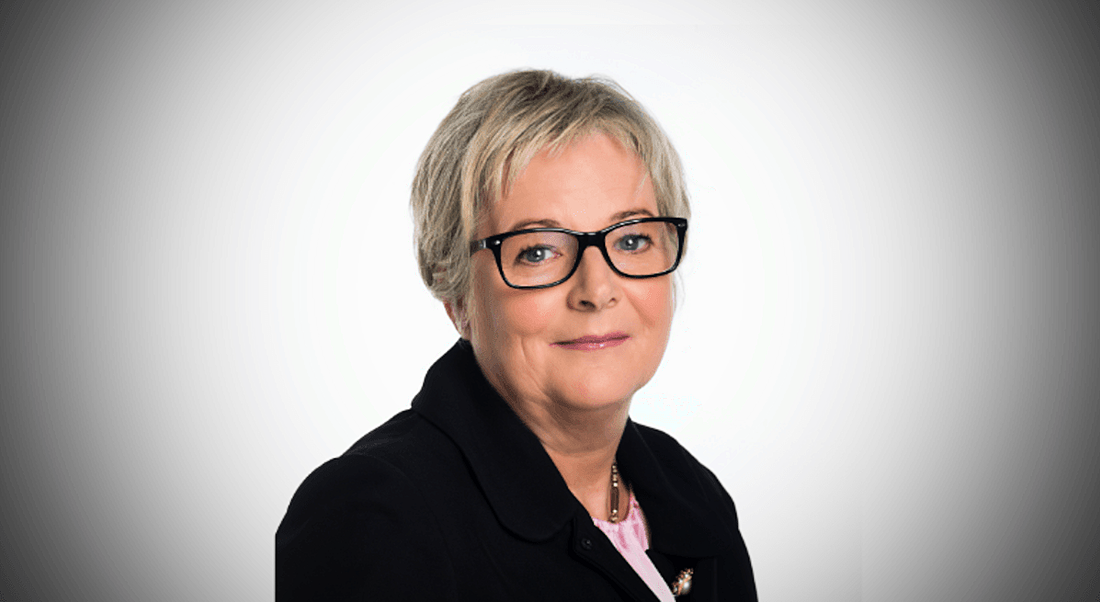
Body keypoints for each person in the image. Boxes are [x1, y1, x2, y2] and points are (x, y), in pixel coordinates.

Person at [276, 69, 757, 601]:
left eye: (633, 239)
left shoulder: (689, 492)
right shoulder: (374, 514)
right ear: (456, 296)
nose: (597, 289)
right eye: (538, 251)